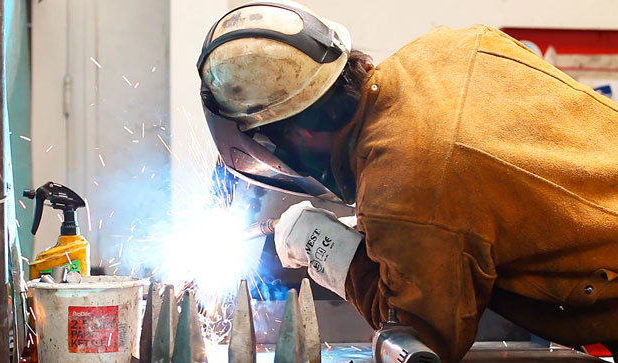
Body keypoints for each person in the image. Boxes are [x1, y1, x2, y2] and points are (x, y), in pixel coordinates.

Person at [197, 1, 618, 361]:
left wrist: (326, 251)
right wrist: (384, 234)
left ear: (298, 134)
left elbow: (422, 338)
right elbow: (482, 191)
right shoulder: (447, 48)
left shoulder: (408, 185)